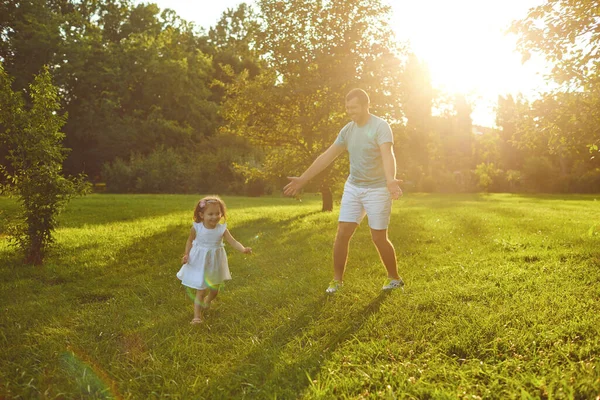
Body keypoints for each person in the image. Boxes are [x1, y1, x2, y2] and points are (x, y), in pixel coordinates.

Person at [284, 88, 404, 293]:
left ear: (367, 105)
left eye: (354, 107)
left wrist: (391, 180)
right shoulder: (347, 130)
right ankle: (337, 281)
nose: (350, 111)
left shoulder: (381, 126)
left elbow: (387, 154)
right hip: (354, 187)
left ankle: (394, 278)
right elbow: (326, 156)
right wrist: (303, 179)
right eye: (348, 108)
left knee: (378, 237)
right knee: (342, 233)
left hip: (377, 189)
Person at [177, 196, 252, 324]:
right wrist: (186, 254)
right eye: (210, 214)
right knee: (201, 290)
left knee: (214, 290)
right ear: (201, 215)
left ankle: (208, 300)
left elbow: (233, 241)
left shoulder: (221, 229)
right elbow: (190, 240)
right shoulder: (197, 228)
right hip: (200, 261)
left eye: (217, 213)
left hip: (215, 262)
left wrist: (243, 249)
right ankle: (197, 317)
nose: (214, 217)